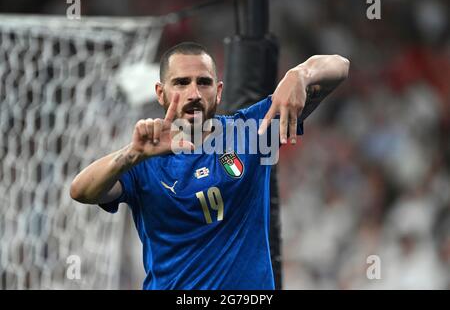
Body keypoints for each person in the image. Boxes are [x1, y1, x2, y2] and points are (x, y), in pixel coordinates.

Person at [70, 42, 349, 289]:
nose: (193, 93)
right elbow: (82, 191)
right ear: (160, 92)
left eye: (203, 82)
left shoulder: (250, 132)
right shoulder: (144, 158)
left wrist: (299, 74)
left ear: (217, 92)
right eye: (181, 83)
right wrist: (131, 154)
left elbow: (339, 66)